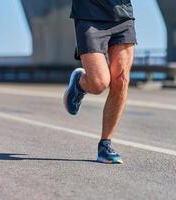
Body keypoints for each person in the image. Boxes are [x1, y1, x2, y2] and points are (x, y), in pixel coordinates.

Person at [64, 0, 137, 164]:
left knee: (121, 80)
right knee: (99, 83)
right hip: (89, 14)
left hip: (122, 14)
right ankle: (80, 84)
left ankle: (105, 145)